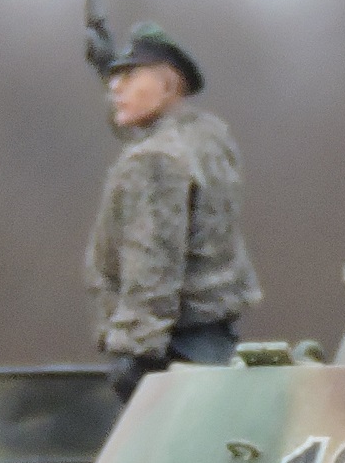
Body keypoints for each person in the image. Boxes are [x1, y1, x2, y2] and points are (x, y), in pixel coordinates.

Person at [85, 22, 263, 401]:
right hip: (213, 343)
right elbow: (153, 133)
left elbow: (152, 264)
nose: (116, 88)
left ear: (167, 85)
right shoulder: (209, 137)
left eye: (130, 76)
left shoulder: (154, 160)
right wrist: (109, 70)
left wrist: (135, 351)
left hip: (170, 351)